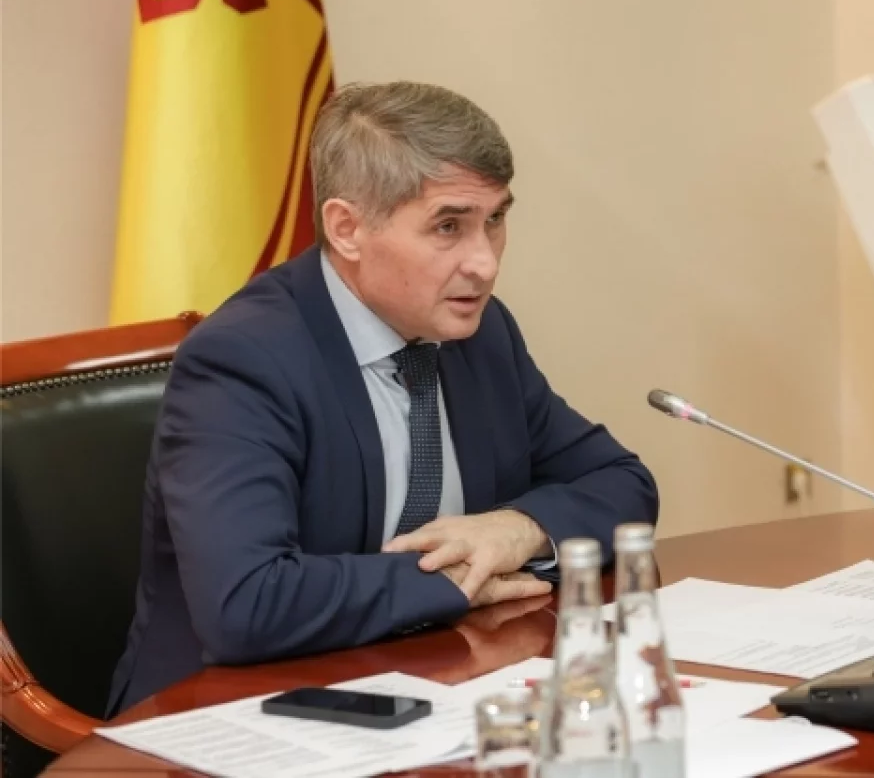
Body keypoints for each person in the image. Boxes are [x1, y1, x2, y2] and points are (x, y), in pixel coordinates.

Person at [107, 80, 659, 716]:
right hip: (226, 713)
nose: (484, 263)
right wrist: (451, 579)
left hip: (423, 683)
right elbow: (246, 604)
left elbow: (624, 485)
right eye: (448, 226)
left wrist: (519, 529)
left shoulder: (479, 334)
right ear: (347, 228)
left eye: (495, 220)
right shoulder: (244, 360)